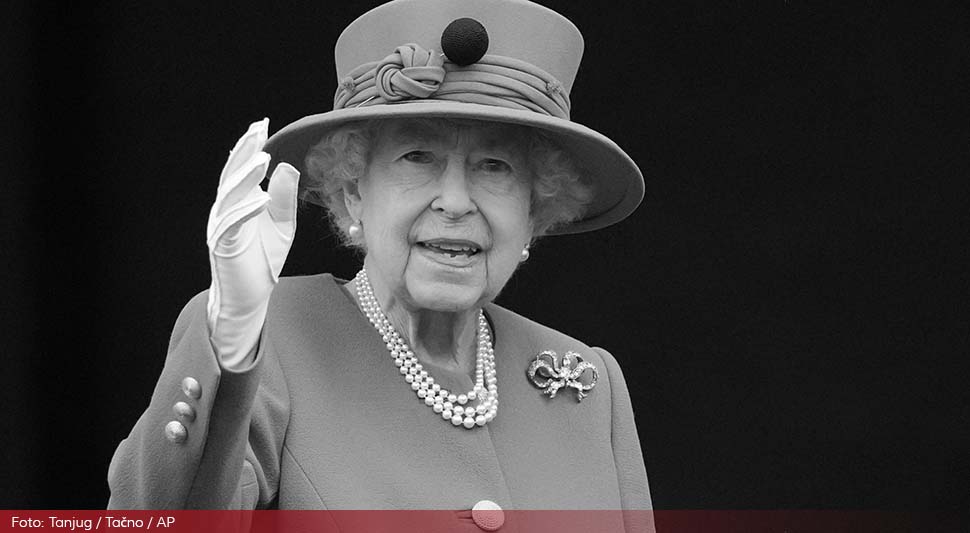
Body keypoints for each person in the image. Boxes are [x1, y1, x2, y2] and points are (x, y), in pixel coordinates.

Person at [108, 0, 654, 531]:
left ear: (534, 212)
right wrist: (231, 341)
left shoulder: (587, 383)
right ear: (352, 195)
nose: (456, 201)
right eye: (417, 157)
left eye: (495, 166)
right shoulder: (266, 343)